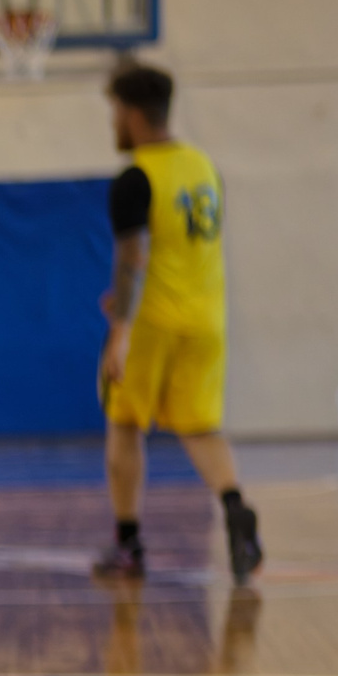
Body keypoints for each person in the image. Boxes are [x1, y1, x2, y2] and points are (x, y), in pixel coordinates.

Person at [92, 64, 262, 585]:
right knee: (201, 428)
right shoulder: (203, 166)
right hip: (208, 318)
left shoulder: (135, 176)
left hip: (153, 324)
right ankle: (235, 507)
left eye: (115, 112)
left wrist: (119, 334)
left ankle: (128, 545)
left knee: (124, 424)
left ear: (133, 113)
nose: (113, 123)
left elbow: (134, 260)